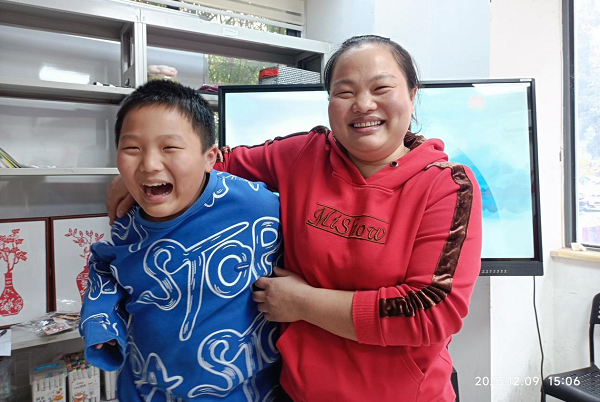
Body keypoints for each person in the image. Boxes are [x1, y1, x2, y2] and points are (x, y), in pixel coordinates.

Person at [107, 35, 483, 401]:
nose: (363, 104)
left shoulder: (447, 185)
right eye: (345, 92)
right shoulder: (304, 154)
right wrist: (144, 168)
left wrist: (303, 303)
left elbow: (431, 311)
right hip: (297, 391)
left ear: (413, 95)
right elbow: (212, 162)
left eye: (381, 88)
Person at [81, 80, 283, 402]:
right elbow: (105, 264)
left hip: (245, 392)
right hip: (145, 388)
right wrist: (100, 321)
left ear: (210, 157)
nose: (149, 165)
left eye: (170, 148)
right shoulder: (127, 219)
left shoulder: (257, 207)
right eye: (132, 149)